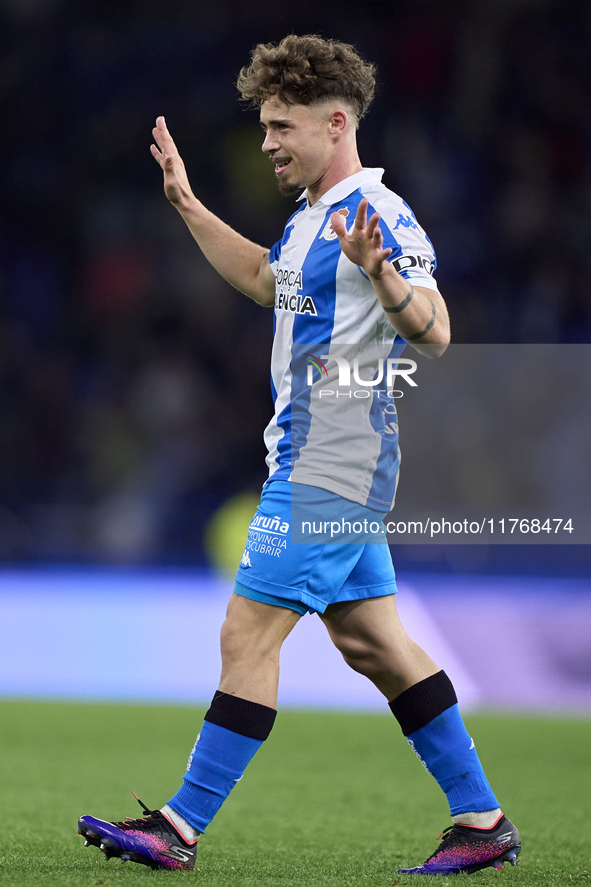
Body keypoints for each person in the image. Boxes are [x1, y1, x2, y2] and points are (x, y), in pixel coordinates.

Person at [78, 35, 520, 876]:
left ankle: (179, 825)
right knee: (373, 644)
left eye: (281, 125)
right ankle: (479, 819)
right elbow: (262, 280)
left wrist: (383, 278)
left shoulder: (376, 215)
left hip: (335, 458)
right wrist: (186, 203)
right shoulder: (309, 222)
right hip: (322, 454)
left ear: (336, 121)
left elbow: (435, 331)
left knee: (248, 631)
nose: (268, 142)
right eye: (264, 126)